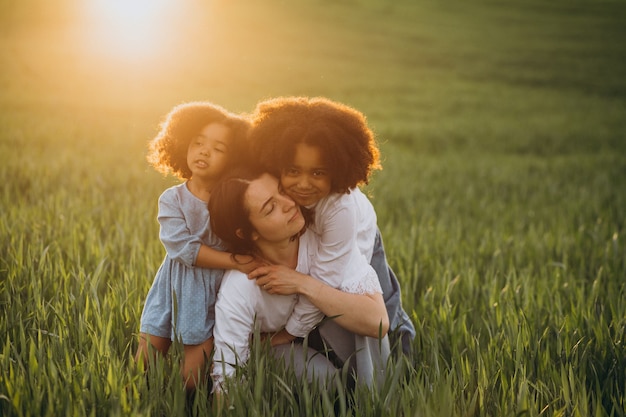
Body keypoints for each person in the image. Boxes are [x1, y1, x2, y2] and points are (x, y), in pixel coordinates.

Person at [246, 96, 416, 355]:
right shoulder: (278, 186)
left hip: (355, 234)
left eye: (317, 173)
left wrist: (288, 334)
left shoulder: (341, 209)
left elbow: (323, 279)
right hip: (315, 233)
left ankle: (405, 356)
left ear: (336, 171)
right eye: (293, 171)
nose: (303, 184)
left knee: (380, 305)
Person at [208, 171, 390, 394]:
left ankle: (377, 401)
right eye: (270, 208)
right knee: (326, 381)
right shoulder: (241, 284)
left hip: (321, 334)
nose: (288, 204)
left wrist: (303, 283)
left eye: (282, 191)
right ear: (248, 233)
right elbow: (227, 375)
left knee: (359, 319)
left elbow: (377, 321)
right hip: (278, 348)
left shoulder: (327, 244)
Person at [134, 101, 263, 390]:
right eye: (198, 143)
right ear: (182, 145)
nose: (205, 151)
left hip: (212, 294)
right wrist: (235, 261)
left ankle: (181, 405)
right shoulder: (172, 199)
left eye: (219, 149)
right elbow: (182, 248)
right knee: (142, 366)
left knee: (191, 379)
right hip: (172, 288)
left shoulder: (233, 201)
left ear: (233, 159)